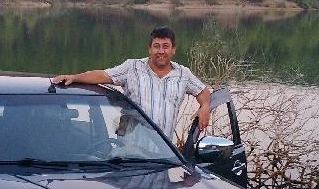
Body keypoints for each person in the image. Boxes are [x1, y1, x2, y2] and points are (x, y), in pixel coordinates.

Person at [51, 26, 211, 140]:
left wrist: (205, 107)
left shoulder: (183, 74)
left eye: (165, 46)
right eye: (156, 46)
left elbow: (202, 91)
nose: (161, 51)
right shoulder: (132, 67)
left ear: (173, 49)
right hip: (130, 150)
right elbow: (103, 75)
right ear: (149, 48)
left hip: (163, 152)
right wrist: (75, 77)